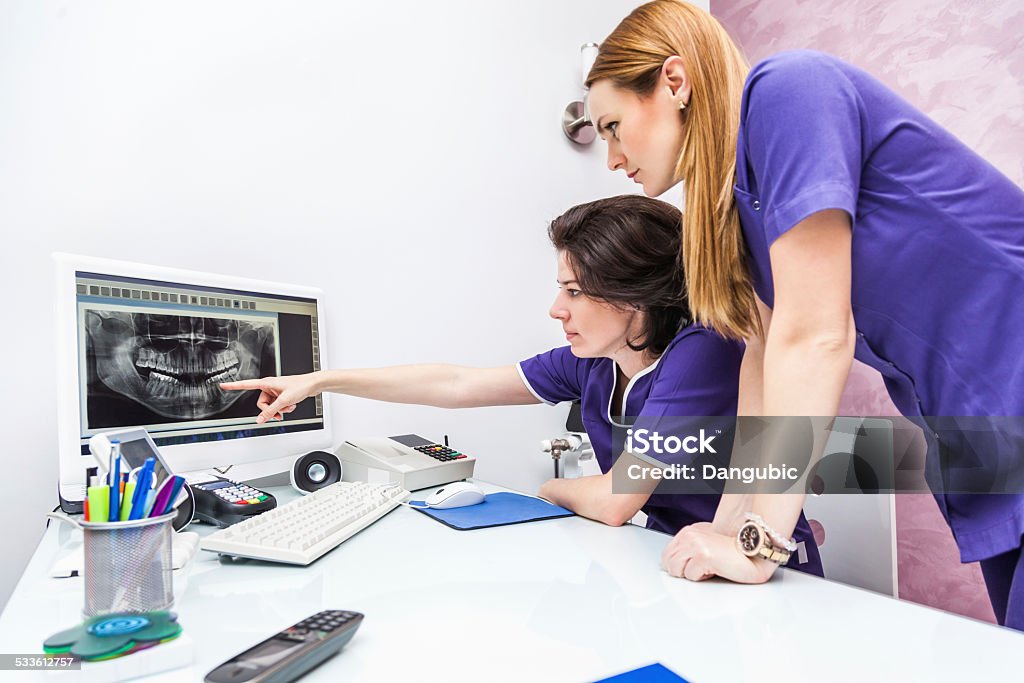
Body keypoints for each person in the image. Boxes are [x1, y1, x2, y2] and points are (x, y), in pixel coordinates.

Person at [584, 0, 1024, 627]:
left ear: (674, 83)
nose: (611, 157)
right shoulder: (742, 209)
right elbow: (764, 358)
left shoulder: (788, 89)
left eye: (610, 126)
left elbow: (817, 336)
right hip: (984, 437)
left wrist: (760, 543)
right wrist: (731, 525)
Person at [221, 195, 824, 576]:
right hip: (668, 556)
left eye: (575, 291)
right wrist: (324, 379)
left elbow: (617, 500)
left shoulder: (703, 351)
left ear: (635, 296)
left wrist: (551, 489)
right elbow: (456, 382)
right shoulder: (594, 361)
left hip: (754, 561)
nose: (556, 309)